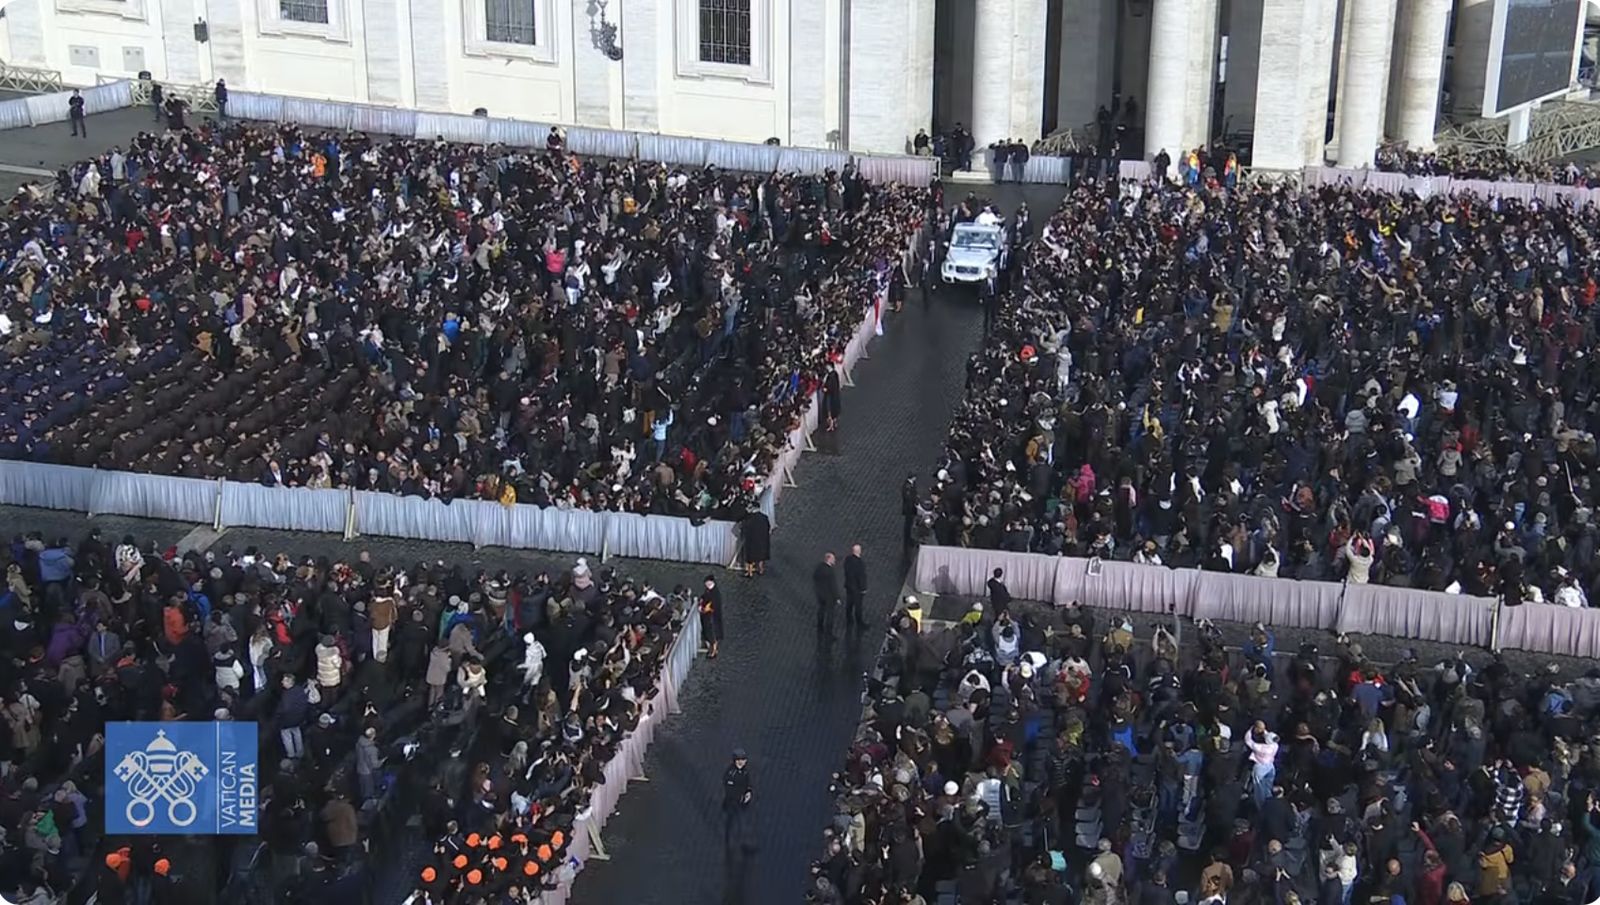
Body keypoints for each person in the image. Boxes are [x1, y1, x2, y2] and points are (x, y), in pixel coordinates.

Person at [723, 748, 754, 857]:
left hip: (742, 802)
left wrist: (749, 792)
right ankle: (730, 842)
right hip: (732, 803)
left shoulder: (745, 772)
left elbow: (748, 783)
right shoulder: (731, 773)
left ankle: (743, 844)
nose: (741, 762)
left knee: (743, 822)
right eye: (738, 760)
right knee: (732, 822)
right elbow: (729, 790)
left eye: (743, 759)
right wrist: (739, 797)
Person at [812, 552, 840, 635]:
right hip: (829, 596)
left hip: (820, 594)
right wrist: (837, 597)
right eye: (833, 559)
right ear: (829, 559)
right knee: (830, 614)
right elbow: (833, 585)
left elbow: (815, 577)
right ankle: (829, 633)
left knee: (821, 610)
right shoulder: (830, 571)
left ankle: (820, 626)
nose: (834, 560)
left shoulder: (819, 567)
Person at [740, 508, 771, 577]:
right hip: (763, 539)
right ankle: (761, 569)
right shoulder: (764, 517)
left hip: (752, 540)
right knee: (761, 556)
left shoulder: (750, 518)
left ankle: (750, 572)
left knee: (750, 556)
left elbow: (745, 528)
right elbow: (768, 527)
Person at [843, 543, 867, 628]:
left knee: (849, 604)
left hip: (849, 586)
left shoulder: (848, 559)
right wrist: (863, 588)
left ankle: (849, 619)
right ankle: (859, 622)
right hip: (857, 589)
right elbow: (860, 577)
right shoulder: (860, 563)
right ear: (859, 551)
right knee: (858, 606)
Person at [699, 574, 723, 659]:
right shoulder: (710, 590)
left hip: (712, 617)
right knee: (711, 633)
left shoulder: (715, 593)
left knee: (712, 633)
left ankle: (713, 651)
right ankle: (713, 649)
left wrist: (706, 609)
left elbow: (714, 604)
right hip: (709, 616)